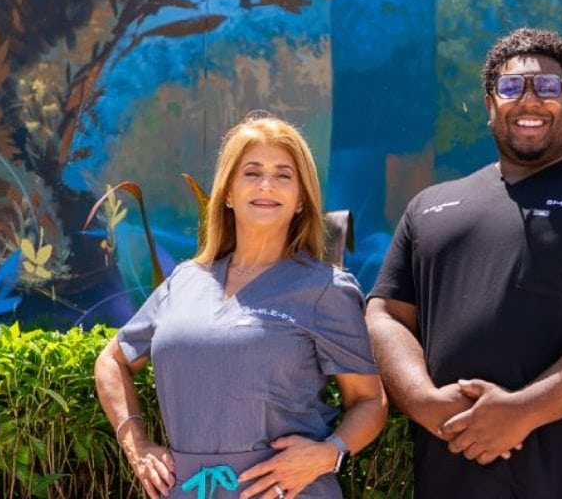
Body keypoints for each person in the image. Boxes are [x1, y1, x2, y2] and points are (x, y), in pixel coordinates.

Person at [364, 28, 562, 497]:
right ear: (490, 104)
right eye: (511, 86)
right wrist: (424, 402)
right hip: (449, 483)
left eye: (548, 87)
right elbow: (384, 314)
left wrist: (523, 411)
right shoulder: (428, 208)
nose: (529, 99)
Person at [94, 113, 387, 499]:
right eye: (252, 172)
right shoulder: (184, 282)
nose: (266, 184)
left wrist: (328, 454)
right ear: (228, 193)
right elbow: (111, 361)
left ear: (301, 199)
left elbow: (369, 401)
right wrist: (138, 446)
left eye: (283, 175)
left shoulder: (326, 289)